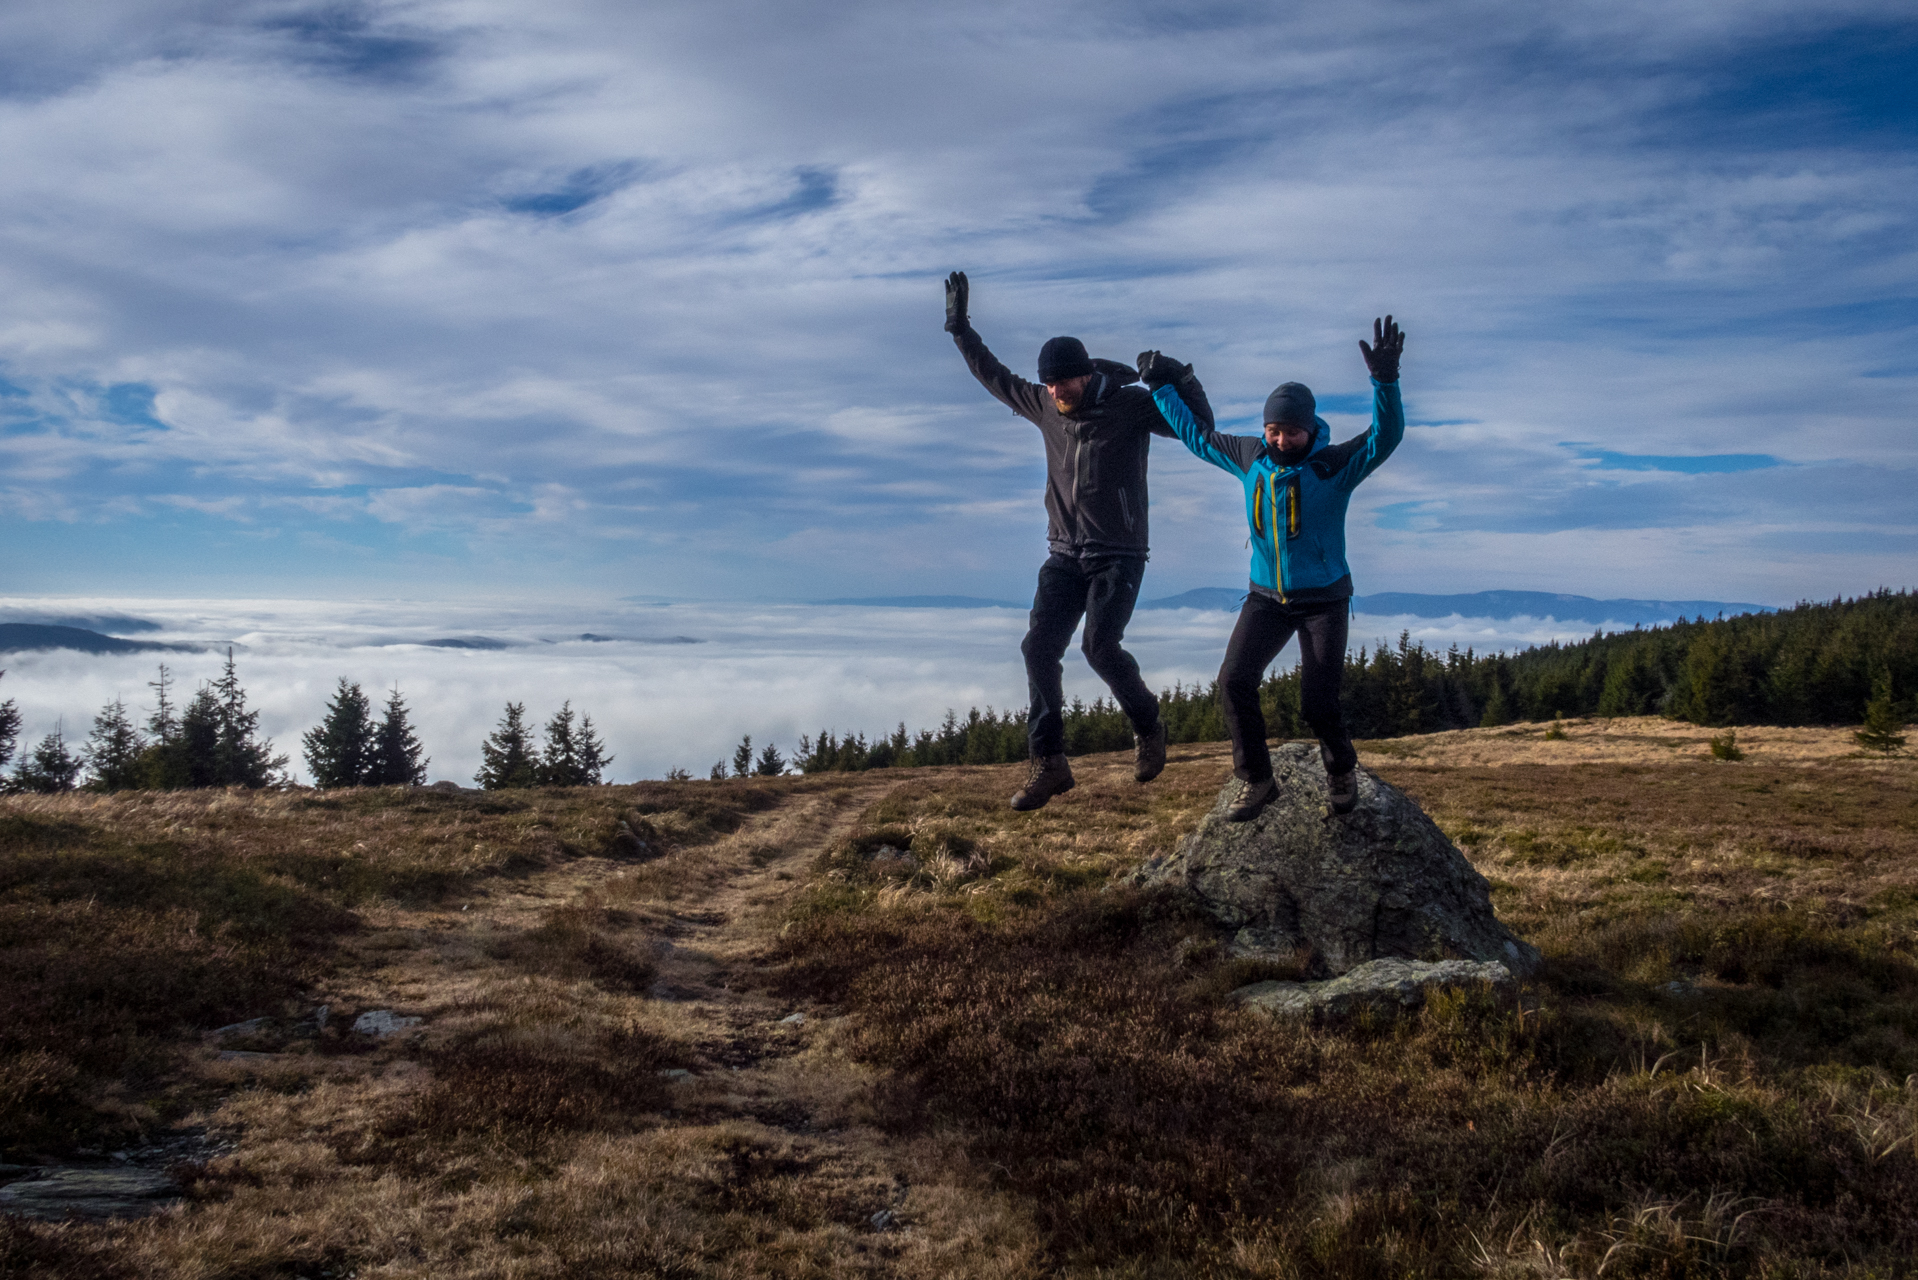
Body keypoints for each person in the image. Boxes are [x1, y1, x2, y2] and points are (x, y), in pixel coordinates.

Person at [943, 270, 1215, 811]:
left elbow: (1199, 428)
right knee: (1037, 647)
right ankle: (1050, 764)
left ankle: (1149, 725)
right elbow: (993, 375)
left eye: (1062, 383)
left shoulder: (1133, 405)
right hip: (1063, 553)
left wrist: (1179, 378)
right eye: (1048, 385)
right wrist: (960, 329)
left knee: (1099, 647)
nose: (1054, 392)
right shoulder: (1044, 404)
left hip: (1119, 552)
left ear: (1085, 375)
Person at [1138, 317, 1406, 821]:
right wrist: (1160, 387)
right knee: (1234, 681)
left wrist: (1385, 382)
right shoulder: (1250, 456)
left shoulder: (1333, 465)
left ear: (1310, 429)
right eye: (1273, 430)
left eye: (1292, 431)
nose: (1281, 439)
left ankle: (1340, 768)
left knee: (1318, 704)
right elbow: (1197, 438)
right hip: (1266, 598)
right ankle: (1257, 780)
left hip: (1325, 598)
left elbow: (1384, 438)